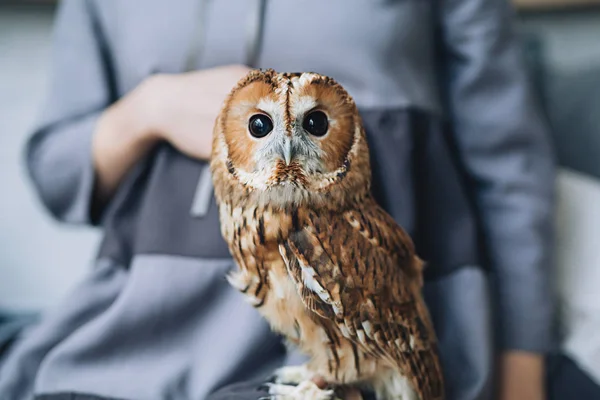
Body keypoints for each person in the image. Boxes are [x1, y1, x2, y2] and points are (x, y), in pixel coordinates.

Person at [0, 0, 555, 399]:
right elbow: (53, 173)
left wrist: (523, 366)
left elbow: (508, 165)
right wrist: (151, 107)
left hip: (371, 340)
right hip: (145, 328)